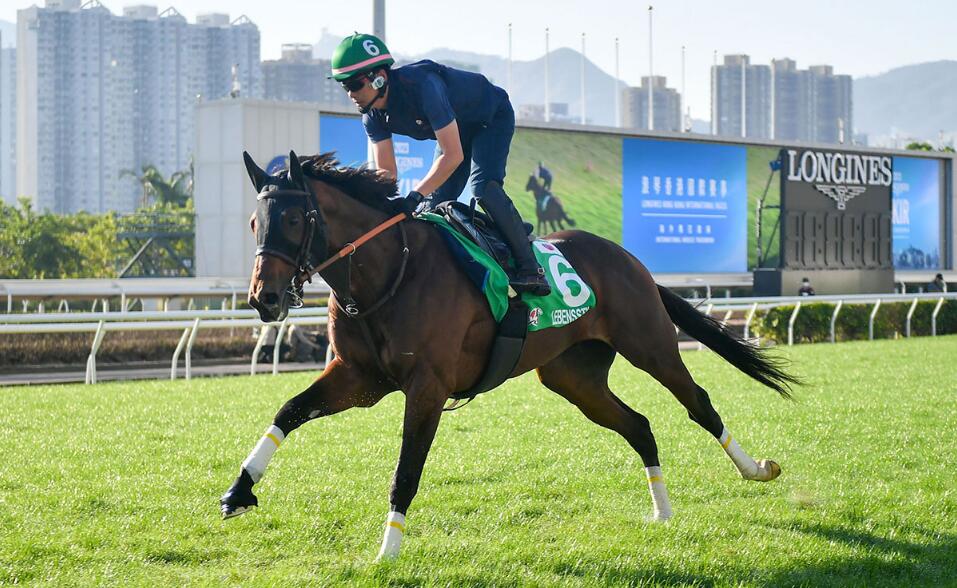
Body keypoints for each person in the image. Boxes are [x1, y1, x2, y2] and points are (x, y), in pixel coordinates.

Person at [330, 33, 551, 296]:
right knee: (433, 207)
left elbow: (453, 155)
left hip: (491, 118)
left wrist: (414, 195)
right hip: (457, 129)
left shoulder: (423, 86)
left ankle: (531, 267)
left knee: (483, 189)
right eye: (344, 87)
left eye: (355, 85)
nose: (351, 94)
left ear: (379, 76)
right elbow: (387, 175)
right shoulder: (372, 117)